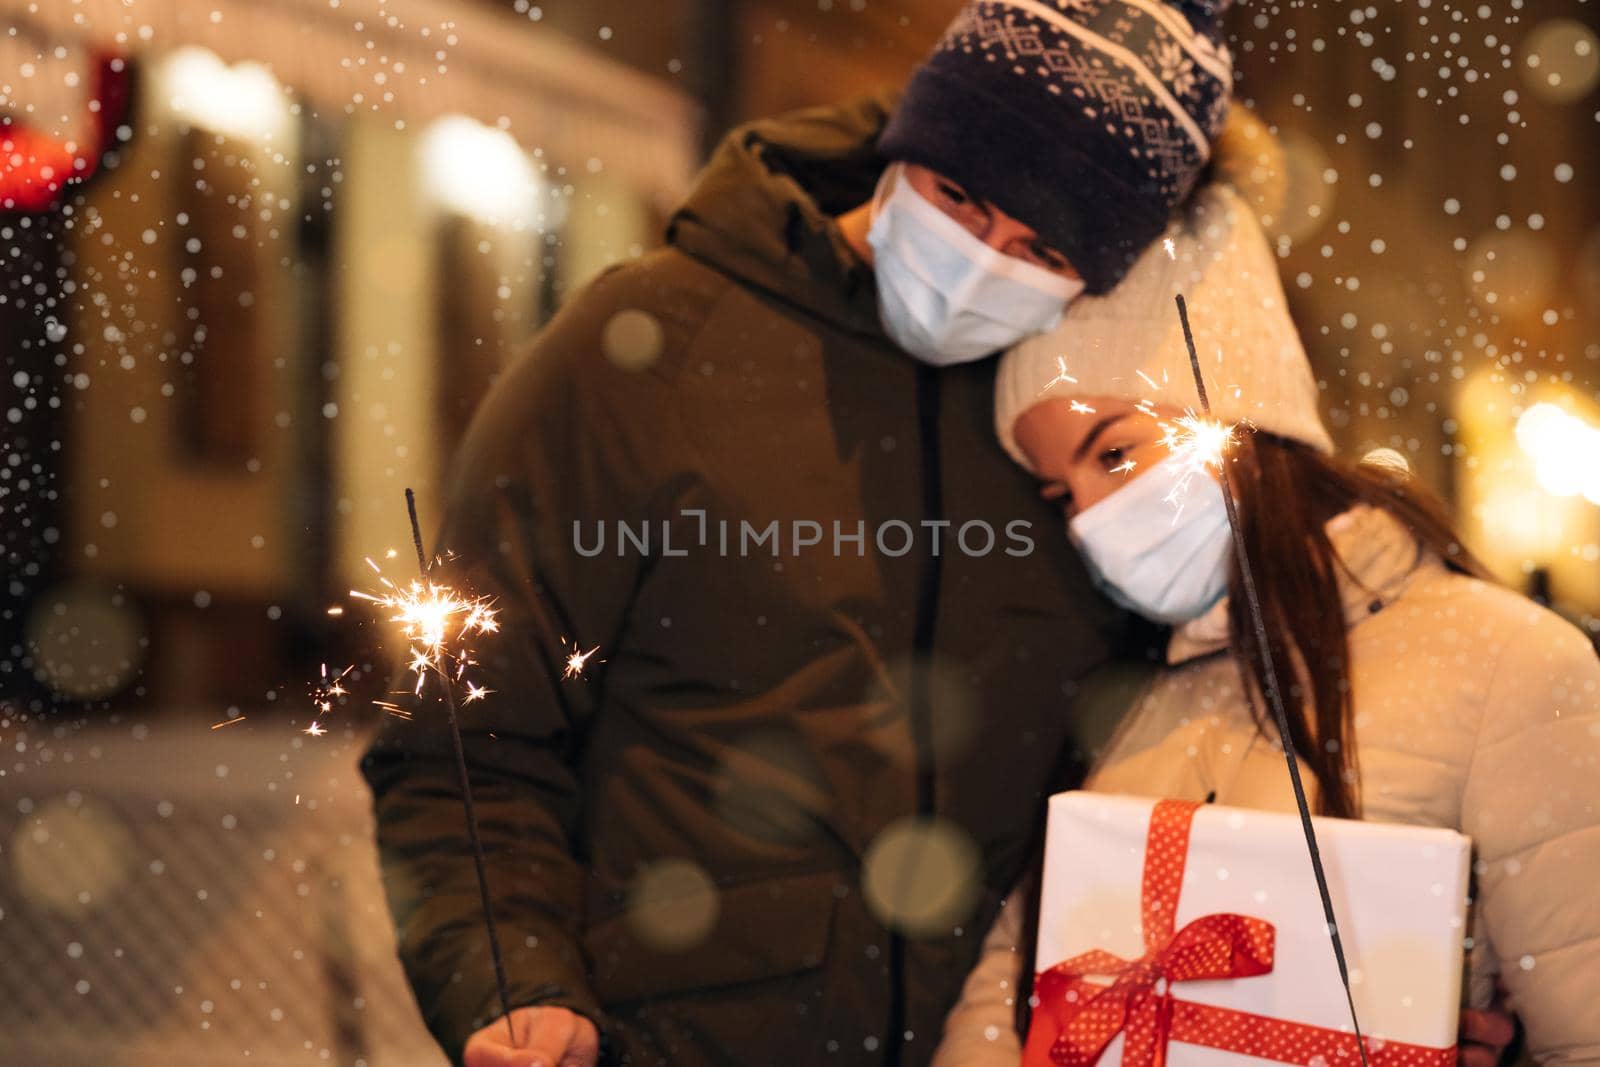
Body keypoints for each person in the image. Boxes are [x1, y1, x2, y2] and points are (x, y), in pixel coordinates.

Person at [360, 1, 1246, 1065]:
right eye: (957, 196)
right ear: (906, 146)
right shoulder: (643, 349)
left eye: (1040, 247)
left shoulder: (1088, 427)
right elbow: (466, 740)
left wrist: (1397, 996)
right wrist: (511, 978)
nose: (979, 259)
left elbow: (1212, 740)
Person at [930, 181, 1600, 1066]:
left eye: (1118, 451)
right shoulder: (1128, 691)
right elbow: (1007, 991)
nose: (1091, 517)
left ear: (1240, 414)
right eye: (1061, 495)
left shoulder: (1511, 663)